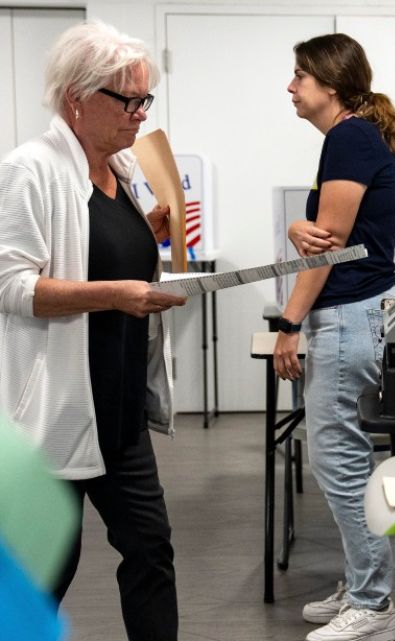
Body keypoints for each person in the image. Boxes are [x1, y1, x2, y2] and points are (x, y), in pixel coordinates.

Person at [0, 20, 186, 641]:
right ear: (76, 99)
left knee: (151, 554)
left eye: (144, 100)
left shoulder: (121, 168)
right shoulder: (31, 170)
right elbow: (11, 287)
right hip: (56, 413)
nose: (139, 114)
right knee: (46, 571)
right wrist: (114, 294)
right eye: (126, 100)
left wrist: (151, 231)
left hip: (121, 410)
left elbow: (102, 250)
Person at [276, 33, 395, 641]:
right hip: (353, 312)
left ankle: (374, 603)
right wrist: (304, 224)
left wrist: (287, 325)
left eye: (301, 76)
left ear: (330, 83)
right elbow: (325, 233)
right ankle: (362, 581)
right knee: (339, 460)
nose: (292, 87)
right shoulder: (349, 139)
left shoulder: (350, 137)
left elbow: (328, 251)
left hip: (349, 314)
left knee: (340, 461)